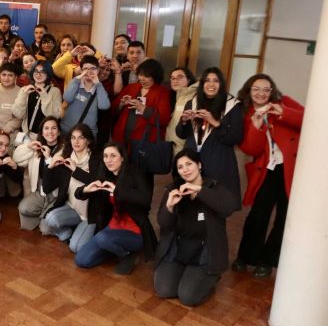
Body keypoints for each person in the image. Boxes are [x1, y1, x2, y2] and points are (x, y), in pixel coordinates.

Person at [232, 74, 304, 278]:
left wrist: (284, 113)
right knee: (258, 214)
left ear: (272, 91)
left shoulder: (284, 102)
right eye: (256, 89)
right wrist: (256, 126)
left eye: (266, 89)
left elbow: (311, 119)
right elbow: (250, 149)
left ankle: (267, 261)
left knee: (284, 216)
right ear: (248, 91)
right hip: (266, 169)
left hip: (292, 168)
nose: (261, 93)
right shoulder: (245, 113)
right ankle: (246, 256)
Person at [153, 149, 237, 307]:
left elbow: (229, 207)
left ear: (199, 165)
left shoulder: (212, 186)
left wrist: (200, 191)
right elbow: (163, 223)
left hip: (204, 252)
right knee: (164, 290)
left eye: (189, 164)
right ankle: (186, 274)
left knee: (188, 297)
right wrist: (169, 206)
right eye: (180, 167)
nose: (185, 169)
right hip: (180, 248)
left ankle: (211, 277)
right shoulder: (173, 189)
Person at [74, 141, 157, 274]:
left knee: (102, 238)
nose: (108, 160)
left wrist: (117, 191)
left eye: (113, 156)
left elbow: (145, 200)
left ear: (122, 157)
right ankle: (114, 249)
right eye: (105, 156)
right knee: (82, 260)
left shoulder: (136, 173)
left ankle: (127, 254)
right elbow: (78, 193)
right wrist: (85, 190)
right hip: (112, 228)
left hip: (134, 230)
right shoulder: (105, 174)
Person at [176, 67, 243, 208]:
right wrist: (183, 121)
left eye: (215, 81)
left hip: (218, 161)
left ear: (221, 84)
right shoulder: (193, 102)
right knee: (190, 203)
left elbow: (235, 138)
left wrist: (214, 122)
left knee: (215, 203)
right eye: (207, 80)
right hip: (193, 160)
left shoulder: (232, 105)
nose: (211, 84)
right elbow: (181, 134)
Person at [40, 124, 99, 252]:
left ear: (88, 141)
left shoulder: (96, 159)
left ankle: (83, 230)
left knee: (76, 247)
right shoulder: (67, 158)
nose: (76, 141)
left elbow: (97, 183)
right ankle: (69, 232)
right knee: (49, 220)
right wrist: (50, 166)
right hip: (72, 208)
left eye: (80, 138)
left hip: (89, 214)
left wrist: (76, 170)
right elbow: (46, 188)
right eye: (73, 138)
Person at [112, 59, 171, 157]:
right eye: (140, 74)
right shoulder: (131, 87)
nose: (142, 78)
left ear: (155, 76)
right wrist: (121, 104)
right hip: (121, 138)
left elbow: (164, 119)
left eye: (146, 76)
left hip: (144, 143)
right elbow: (113, 110)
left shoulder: (162, 92)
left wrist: (143, 109)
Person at [13, 116, 62, 230]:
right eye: (46, 128)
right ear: (42, 133)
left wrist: (49, 158)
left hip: (57, 194)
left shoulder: (64, 150)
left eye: (54, 128)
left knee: (46, 229)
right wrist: (28, 147)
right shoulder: (37, 148)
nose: (50, 131)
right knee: (24, 207)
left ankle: (47, 217)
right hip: (40, 192)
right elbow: (16, 159)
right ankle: (44, 215)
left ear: (59, 132)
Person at [61, 55, 111, 139]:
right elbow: (67, 98)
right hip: (67, 131)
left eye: (93, 69)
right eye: (85, 69)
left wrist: (98, 84)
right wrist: (77, 79)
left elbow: (104, 106)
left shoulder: (99, 88)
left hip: (86, 136)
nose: (89, 71)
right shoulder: (75, 83)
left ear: (98, 70)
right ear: (81, 70)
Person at [11, 60, 63, 140]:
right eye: (36, 71)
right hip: (26, 135)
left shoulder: (54, 91)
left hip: (45, 137)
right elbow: (18, 114)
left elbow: (55, 116)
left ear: (48, 74)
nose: (38, 74)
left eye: (43, 72)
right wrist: (23, 95)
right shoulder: (24, 89)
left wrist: (44, 96)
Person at [165, 67, 198, 155]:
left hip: (183, 147)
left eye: (180, 77)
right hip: (173, 144)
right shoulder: (178, 96)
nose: (175, 81)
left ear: (189, 79)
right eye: (172, 78)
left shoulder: (193, 97)